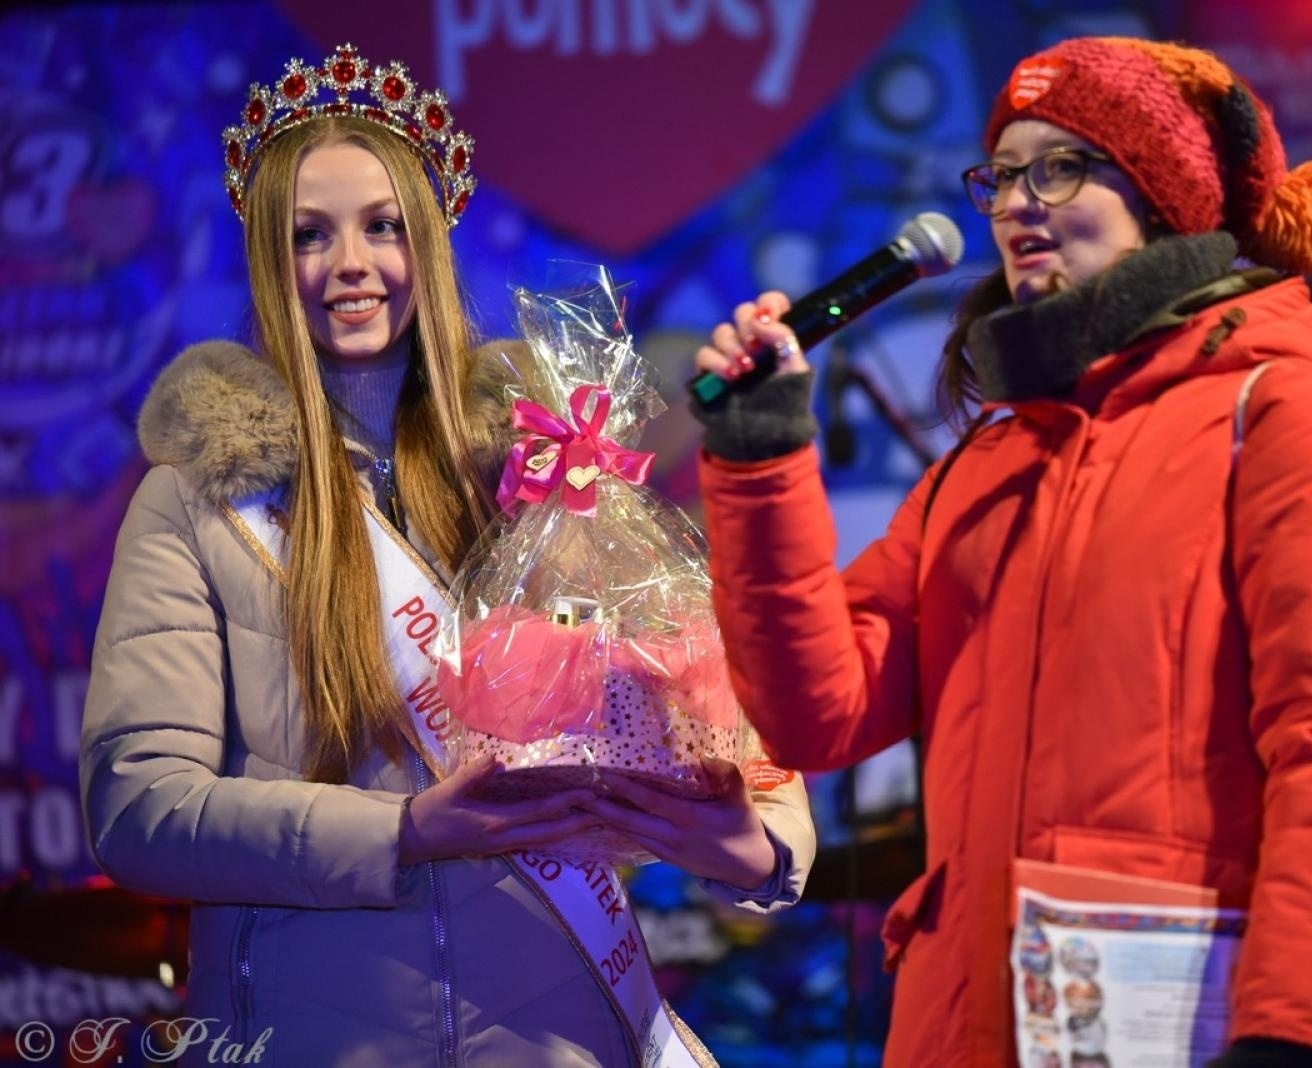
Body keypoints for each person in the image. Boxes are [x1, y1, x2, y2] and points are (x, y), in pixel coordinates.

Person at [689, 36, 1312, 1067]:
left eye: (1060, 167)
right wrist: (761, 461)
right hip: (961, 1029)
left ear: (1161, 196)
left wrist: (1293, 1037)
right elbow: (817, 714)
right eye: (1000, 175)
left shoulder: (1280, 418)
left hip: (1192, 1026)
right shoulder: (987, 460)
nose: (1013, 204)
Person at [80, 44, 813, 1066]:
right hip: (319, 1037)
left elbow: (703, 709)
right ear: (264, 261)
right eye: (309, 235)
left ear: (427, 241)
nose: (351, 265)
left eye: (383, 227)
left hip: (562, 1030)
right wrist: (410, 830)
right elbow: (140, 810)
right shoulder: (201, 500)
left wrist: (761, 844)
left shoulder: (539, 472)